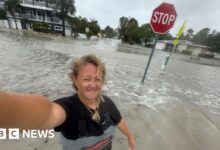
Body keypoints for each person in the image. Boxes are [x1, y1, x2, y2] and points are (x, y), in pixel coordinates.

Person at [0, 54, 136, 150]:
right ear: (75, 79)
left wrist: (130, 136)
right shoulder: (69, 108)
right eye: (87, 79)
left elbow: (118, 120)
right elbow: (48, 113)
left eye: (98, 79)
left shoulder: (108, 103)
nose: (93, 84)